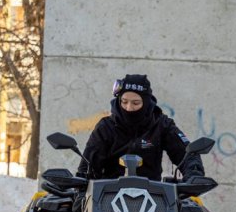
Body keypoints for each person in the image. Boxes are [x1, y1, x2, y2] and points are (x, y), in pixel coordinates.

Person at [77, 74, 205, 182]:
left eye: (136, 103)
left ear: (146, 102)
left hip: (154, 199)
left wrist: (194, 175)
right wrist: (82, 189)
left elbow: (186, 153)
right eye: (124, 101)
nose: (129, 108)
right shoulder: (106, 127)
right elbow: (88, 166)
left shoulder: (161, 124)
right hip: (108, 199)